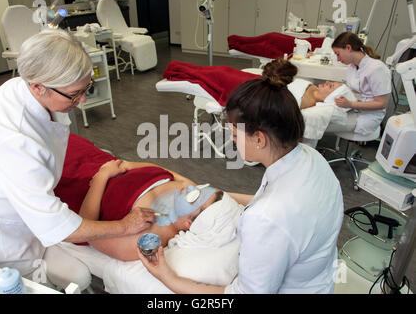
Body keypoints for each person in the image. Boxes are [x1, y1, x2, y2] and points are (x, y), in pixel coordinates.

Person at [0, 29, 155, 276]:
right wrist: (124, 225)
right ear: (38, 87)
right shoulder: (12, 141)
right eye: (76, 94)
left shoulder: (28, 88)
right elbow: (58, 225)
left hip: (30, 210)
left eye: (87, 87)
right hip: (2, 240)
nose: (84, 100)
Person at [138, 72, 345, 294]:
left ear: (259, 139)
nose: (231, 140)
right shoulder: (310, 158)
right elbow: (273, 204)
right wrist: (217, 195)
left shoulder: (266, 217)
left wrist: (166, 277)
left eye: (235, 135)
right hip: (320, 279)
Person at [74, 159, 223, 261]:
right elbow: (166, 171)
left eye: (195, 195)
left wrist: (102, 176)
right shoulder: (188, 189)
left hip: (80, 180)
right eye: (201, 188)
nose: (191, 188)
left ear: (188, 224)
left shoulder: (148, 238)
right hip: (105, 162)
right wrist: (128, 165)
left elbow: (88, 233)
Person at [330, 31, 392, 135]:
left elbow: (381, 103)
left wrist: (350, 104)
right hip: (352, 110)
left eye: (338, 54)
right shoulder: (352, 67)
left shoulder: (376, 68)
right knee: (318, 119)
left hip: (368, 117)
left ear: (348, 48)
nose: (338, 59)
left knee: (319, 124)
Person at [262, 58, 350, 110]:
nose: (327, 82)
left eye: (330, 86)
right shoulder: (314, 88)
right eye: (331, 82)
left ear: (331, 97)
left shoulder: (305, 102)